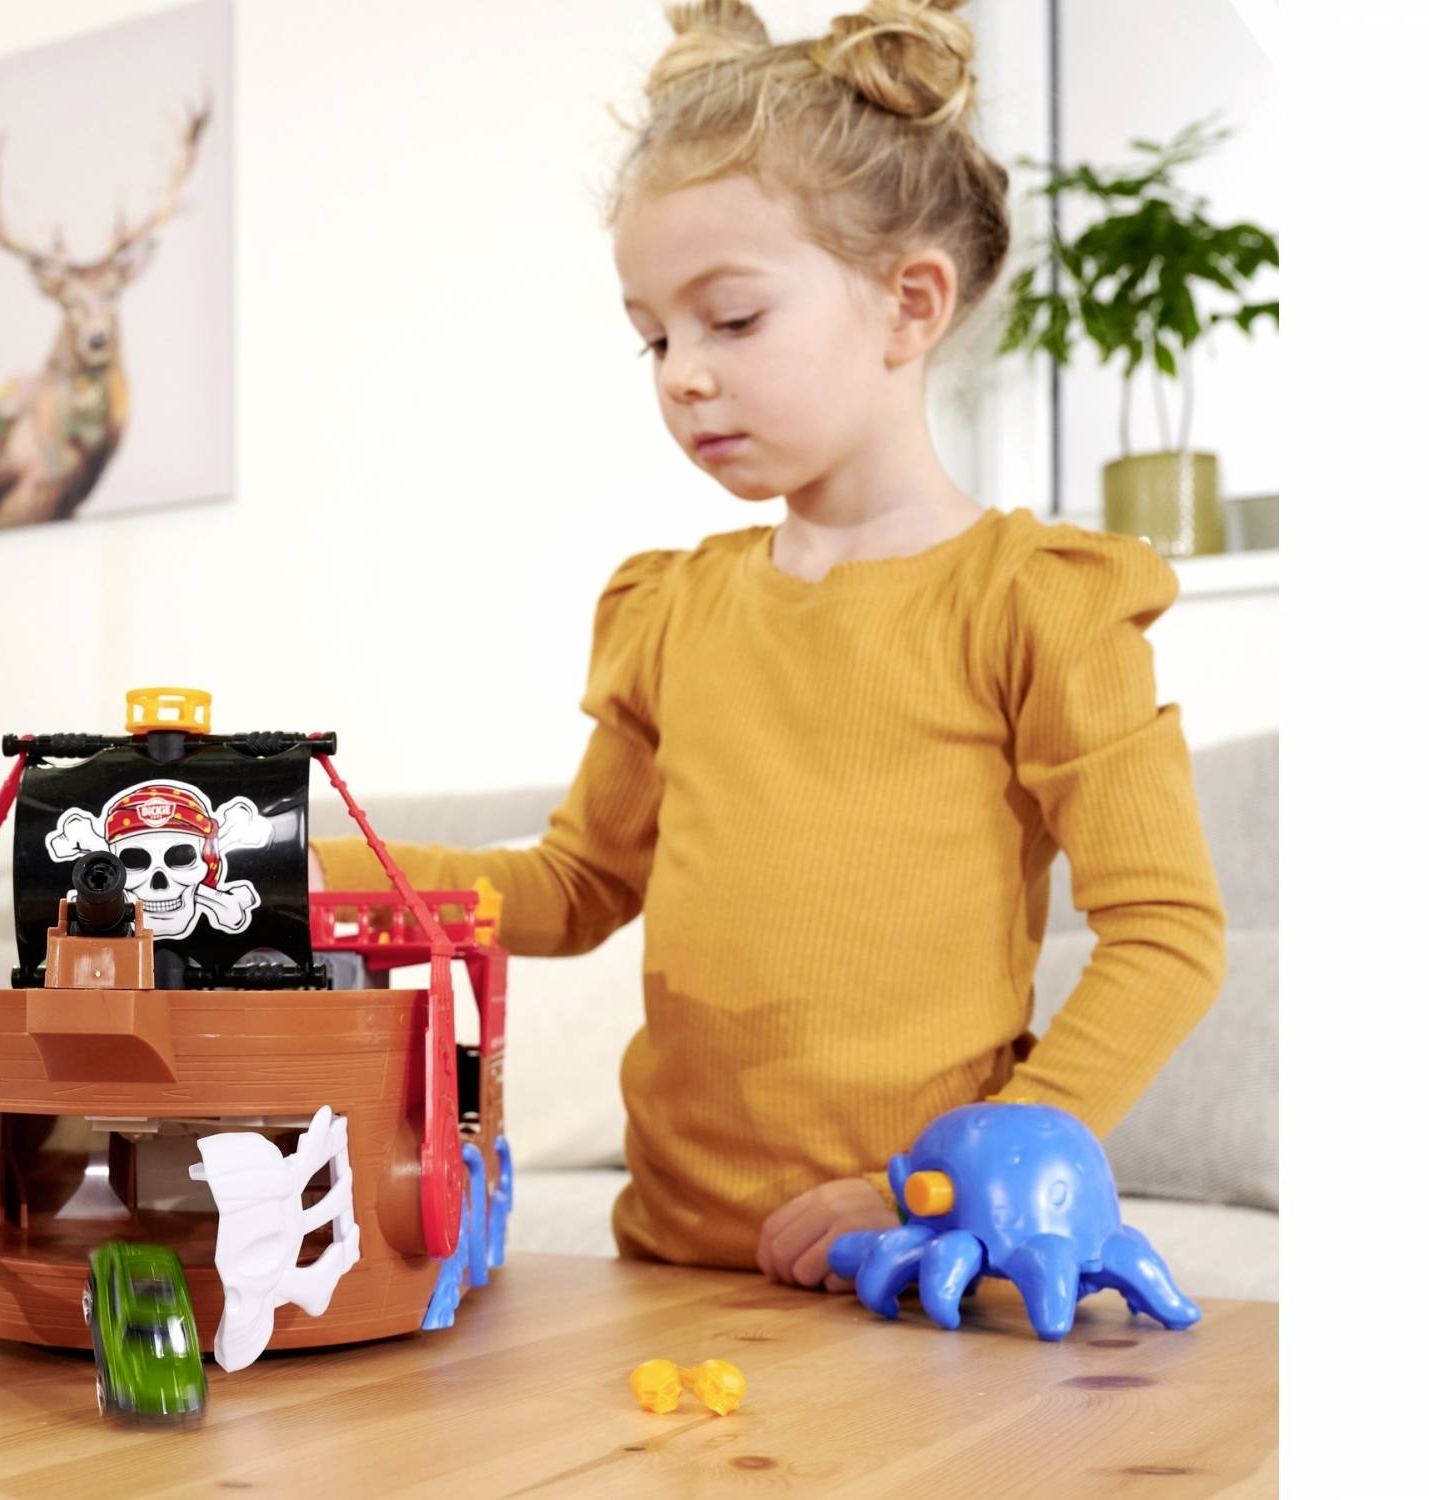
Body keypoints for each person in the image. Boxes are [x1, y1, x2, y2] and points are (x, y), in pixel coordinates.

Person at [309, 0, 1225, 1289]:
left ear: (910, 306)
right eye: (655, 334)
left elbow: (1167, 932)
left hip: (918, 1266)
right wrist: (306, 865)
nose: (683, 373)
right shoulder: (670, 611)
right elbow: (574, 889)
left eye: (730, 320)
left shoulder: (1040, 602)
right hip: (668, 1271)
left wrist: (956, 1176)